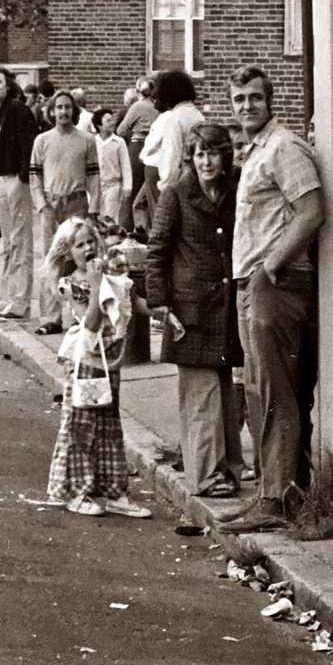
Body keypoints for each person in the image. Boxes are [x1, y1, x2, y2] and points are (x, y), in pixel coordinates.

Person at [220, 64, 324, 531]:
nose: (247, 107)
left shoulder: (284, 148)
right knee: (259, 390)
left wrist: (272, 266)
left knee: (277, 391)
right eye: (239, 100)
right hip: (251, 284)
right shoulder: (256, 150)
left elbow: (310, 211)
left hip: (275, 285)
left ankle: (279, 499)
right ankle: (271, 492)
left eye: (255, 99)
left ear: (270, 101)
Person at [148, 121, 249, 506]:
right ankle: (206, 475)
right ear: (191, 158)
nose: (207, 162)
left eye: (214, 153)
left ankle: (227, 469)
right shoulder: (177, 192)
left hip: (224, 307)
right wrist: (160, 304)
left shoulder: (232, 191)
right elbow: (158, 250)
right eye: (200, 154)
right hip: (189, 311)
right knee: (201, 394)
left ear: (225, 155)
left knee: (224, 391)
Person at [46, 217, 151, 519]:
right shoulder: (71, 285)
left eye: (91, 241)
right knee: (80, 426)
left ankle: (113, 491)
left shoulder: (110, 274)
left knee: (108, 426)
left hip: (111, 360)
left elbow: (134, 302)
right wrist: (95, 286)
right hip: (86, 363)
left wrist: (163, 309)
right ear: (67, 253)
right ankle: (74, 491)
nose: (88, 248)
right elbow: (90, 324)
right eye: (79, 245)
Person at [30, 91, 99, 335]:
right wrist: (41, 203)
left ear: (74, 110)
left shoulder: (87, 140)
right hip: (51, 204)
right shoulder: (42, 140)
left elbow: (93, 175)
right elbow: (35, 175)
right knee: (52, 260)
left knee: (78, 259)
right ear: (51, 111)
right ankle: (51, 317)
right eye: (58, 107)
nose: (63, 112)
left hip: (77, 203)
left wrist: (94, 207)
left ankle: (81, 315)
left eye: (67, 107)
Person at [0, 66, 38, 320]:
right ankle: (6, 297)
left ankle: (21, 301)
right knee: (7, 243)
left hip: (18, 179)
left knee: (21, 240)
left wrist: (25, 177)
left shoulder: (18, 111)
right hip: (0, 178)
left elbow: (28, 145)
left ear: (8, 85)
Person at [136, 69, 204, 231]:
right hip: (195, 182)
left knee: (165, 228)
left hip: (176, 186)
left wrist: (165, 189)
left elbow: (171, 158)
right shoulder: (197, 116)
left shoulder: (174, 119)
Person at [92, 108, 130, 229]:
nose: (112, 123)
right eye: (108, 120)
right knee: (95, 220)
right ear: (99, 125)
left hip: (113, 187)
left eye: (112, 120)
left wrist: (127, 187)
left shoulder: (119, 142)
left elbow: (125, 164)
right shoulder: (92, 142)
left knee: (111, 219)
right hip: (95, 188)